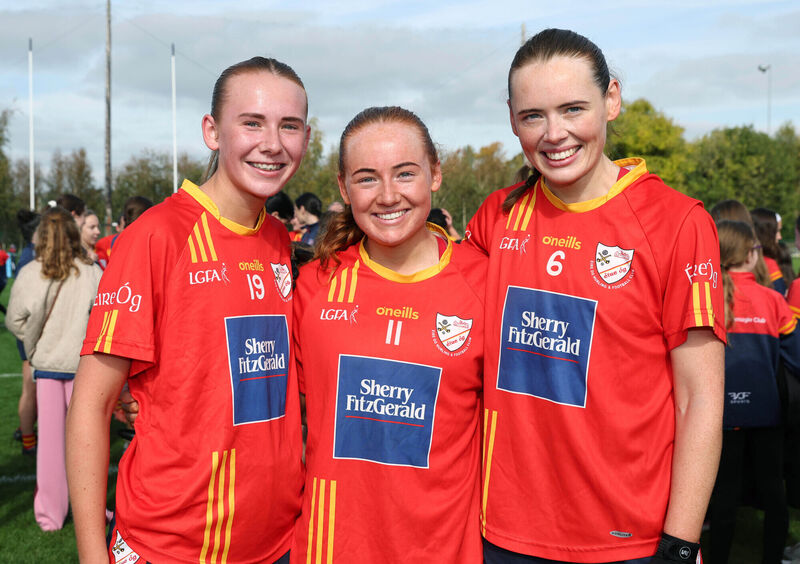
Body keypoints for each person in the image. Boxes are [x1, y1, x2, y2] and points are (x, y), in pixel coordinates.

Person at [465, 28, 726, 563]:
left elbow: (699, 399)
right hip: (504, 536)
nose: (554, 133)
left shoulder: (678, 222)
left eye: (573, 109)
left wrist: (680, 544)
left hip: (632, 542)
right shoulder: (495, 216)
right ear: (512, 120)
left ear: (612, 99)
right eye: (532, 115)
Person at [66, 56, 309, 563]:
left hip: (277, 543)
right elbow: (90, 405)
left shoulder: (276, 238)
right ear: (212, 131)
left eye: (289, 126)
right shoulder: (158, 236)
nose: (272, 143)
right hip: (172, 546)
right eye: (252, 123)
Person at [290, 106, 486, 562]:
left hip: (445, 551)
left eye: (404, 173)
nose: (387, 195)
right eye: (367, 178)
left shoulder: (485, 283)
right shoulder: (316, 284)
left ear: (435, 174)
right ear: (343, 187)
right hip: (330, 548)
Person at [5, 206, 102, 531]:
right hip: (82, 367)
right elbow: (103, 315)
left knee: (51, 448)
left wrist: (33, 344)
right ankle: (89, 510)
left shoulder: (33, 271)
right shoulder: (90, 271)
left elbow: (14, 319)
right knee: (86, 445)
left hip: (48, 366)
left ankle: (50, 514)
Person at [709, 220, 799, 564]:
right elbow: (795, 356)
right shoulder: (773, 300)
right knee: (773, 489)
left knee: (724, 493)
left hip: (719, 413)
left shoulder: (707, 295)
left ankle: (716, 557)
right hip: (767, 412)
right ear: (749, 255)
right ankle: (773, 557)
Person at [12, 208, 41, 455]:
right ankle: (28, 440)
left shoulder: (30, 256)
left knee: (31, 388)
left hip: (31, 335)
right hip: (31, 336)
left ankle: (27, 434)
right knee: (30, 388)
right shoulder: (30, 260)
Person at [751, 207, 787, 296]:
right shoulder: (769, 265)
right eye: (777, 231)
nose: (780, 237)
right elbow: (780, 298)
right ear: (766, 233)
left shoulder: (741, 261)